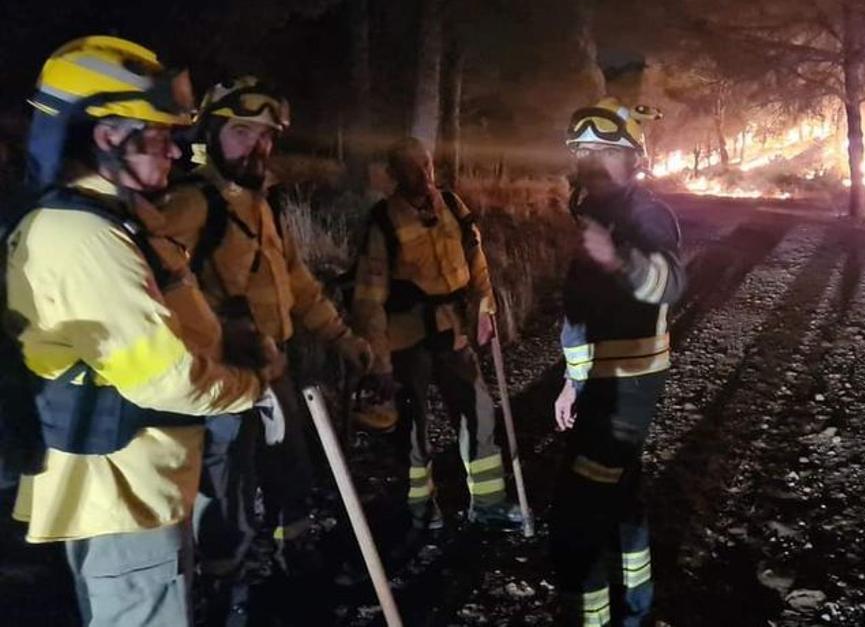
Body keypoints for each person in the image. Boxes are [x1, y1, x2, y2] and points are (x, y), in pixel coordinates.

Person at [5, 35, 275, 626]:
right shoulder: (82, 238)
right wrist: (252, 384)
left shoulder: (114, 221)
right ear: (106, 136)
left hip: (136, 487)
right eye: (157, 137)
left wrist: (225, 338)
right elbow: (164, 379)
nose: (175, 154)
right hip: (123, 497)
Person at [156, 76, 375, 616]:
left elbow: (297, 284)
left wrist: (343, 338)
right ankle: (222, 593)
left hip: (276, 367)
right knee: (225, 493)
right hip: (223, 379)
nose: (258, 146)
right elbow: (155, 295)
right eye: (242, 133)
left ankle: (292, 566)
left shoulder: (260, 205)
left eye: (266, 136)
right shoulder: (189, 204)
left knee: (290, 472)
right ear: (211, 133)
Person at [550, 97, 685, 626]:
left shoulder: (646, 213)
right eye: (582, 150)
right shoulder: (594, 212)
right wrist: (571, 380)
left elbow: (671, 282)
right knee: (622, 491)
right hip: (603, 381)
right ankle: (636, 603)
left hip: (626, 385)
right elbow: (581, 313)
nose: (588, 160)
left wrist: (620, 259)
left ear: (632, 159)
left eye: (602, 151)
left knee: (577, 519)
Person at [350, 137, 524, 531]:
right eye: (411, 168)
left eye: (426, 166)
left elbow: (476, 262)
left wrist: (486, 308)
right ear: (393, 175)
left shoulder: (453, 207)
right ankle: (421, 509)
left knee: (478, 411)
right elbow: (368, 299)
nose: (422, 175)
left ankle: (488, 503)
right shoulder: (382, 221)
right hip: (406, 338)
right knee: (413, 426)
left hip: (453, 329)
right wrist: (379, 362)